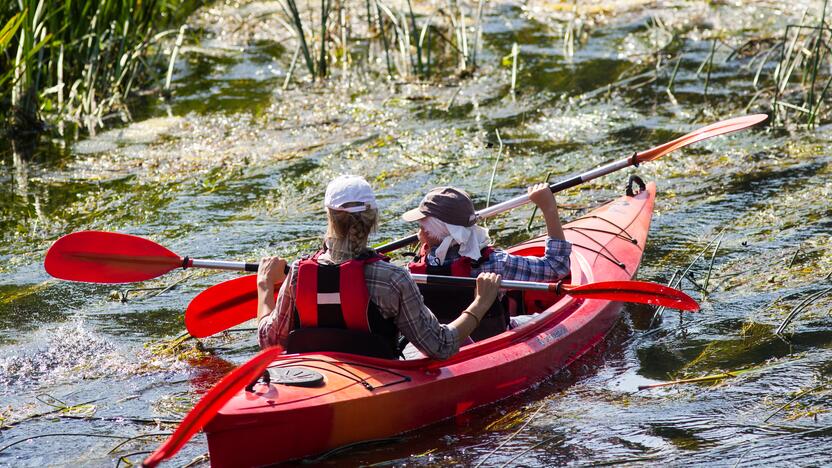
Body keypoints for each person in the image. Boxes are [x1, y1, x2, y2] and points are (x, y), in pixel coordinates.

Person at [256, 175, 502, 360]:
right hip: (377, 379)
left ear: (329, 217)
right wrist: (481, 303)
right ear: (374, 218)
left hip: (313, 375)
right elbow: (441, 346)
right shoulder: (393, 278)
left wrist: (265, 286)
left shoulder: (299, 272)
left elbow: (270, 342)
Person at [401, 183, 571, 339]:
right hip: (494, 340)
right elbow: (557, 266)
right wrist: (549, 208)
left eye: (421, 228)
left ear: (430, 234)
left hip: (443, 342)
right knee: (540, 319)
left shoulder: (413, 272)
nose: (419, 234)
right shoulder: (494, 264)